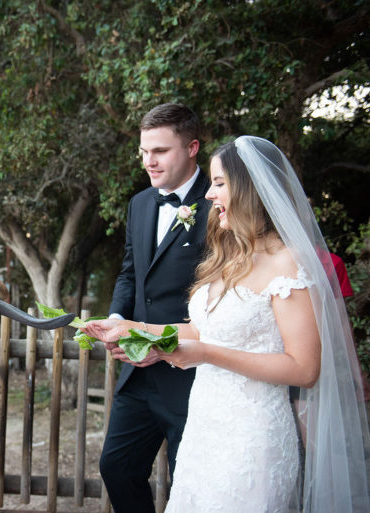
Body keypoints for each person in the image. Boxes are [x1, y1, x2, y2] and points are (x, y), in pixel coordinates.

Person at [83, 136, 370, 512]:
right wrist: (133, 328)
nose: (208, 195)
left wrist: (204, 354)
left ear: (249, 190)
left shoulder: (290, 264)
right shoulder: (230, 257)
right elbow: (205, 332)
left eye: (219, 184)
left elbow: (304, 368)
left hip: (253, 438)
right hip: (206, 427)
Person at [96, 103, 211, 513]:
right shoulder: (140, 204)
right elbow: (130, 273)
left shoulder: (219, 203)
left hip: (193, 373)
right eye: (144, 151)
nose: (149, 161)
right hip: (137, 375)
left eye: (160, 150)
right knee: (116, 467)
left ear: (192, 147)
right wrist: (115, 321)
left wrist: (151, 336)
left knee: (190, 481)